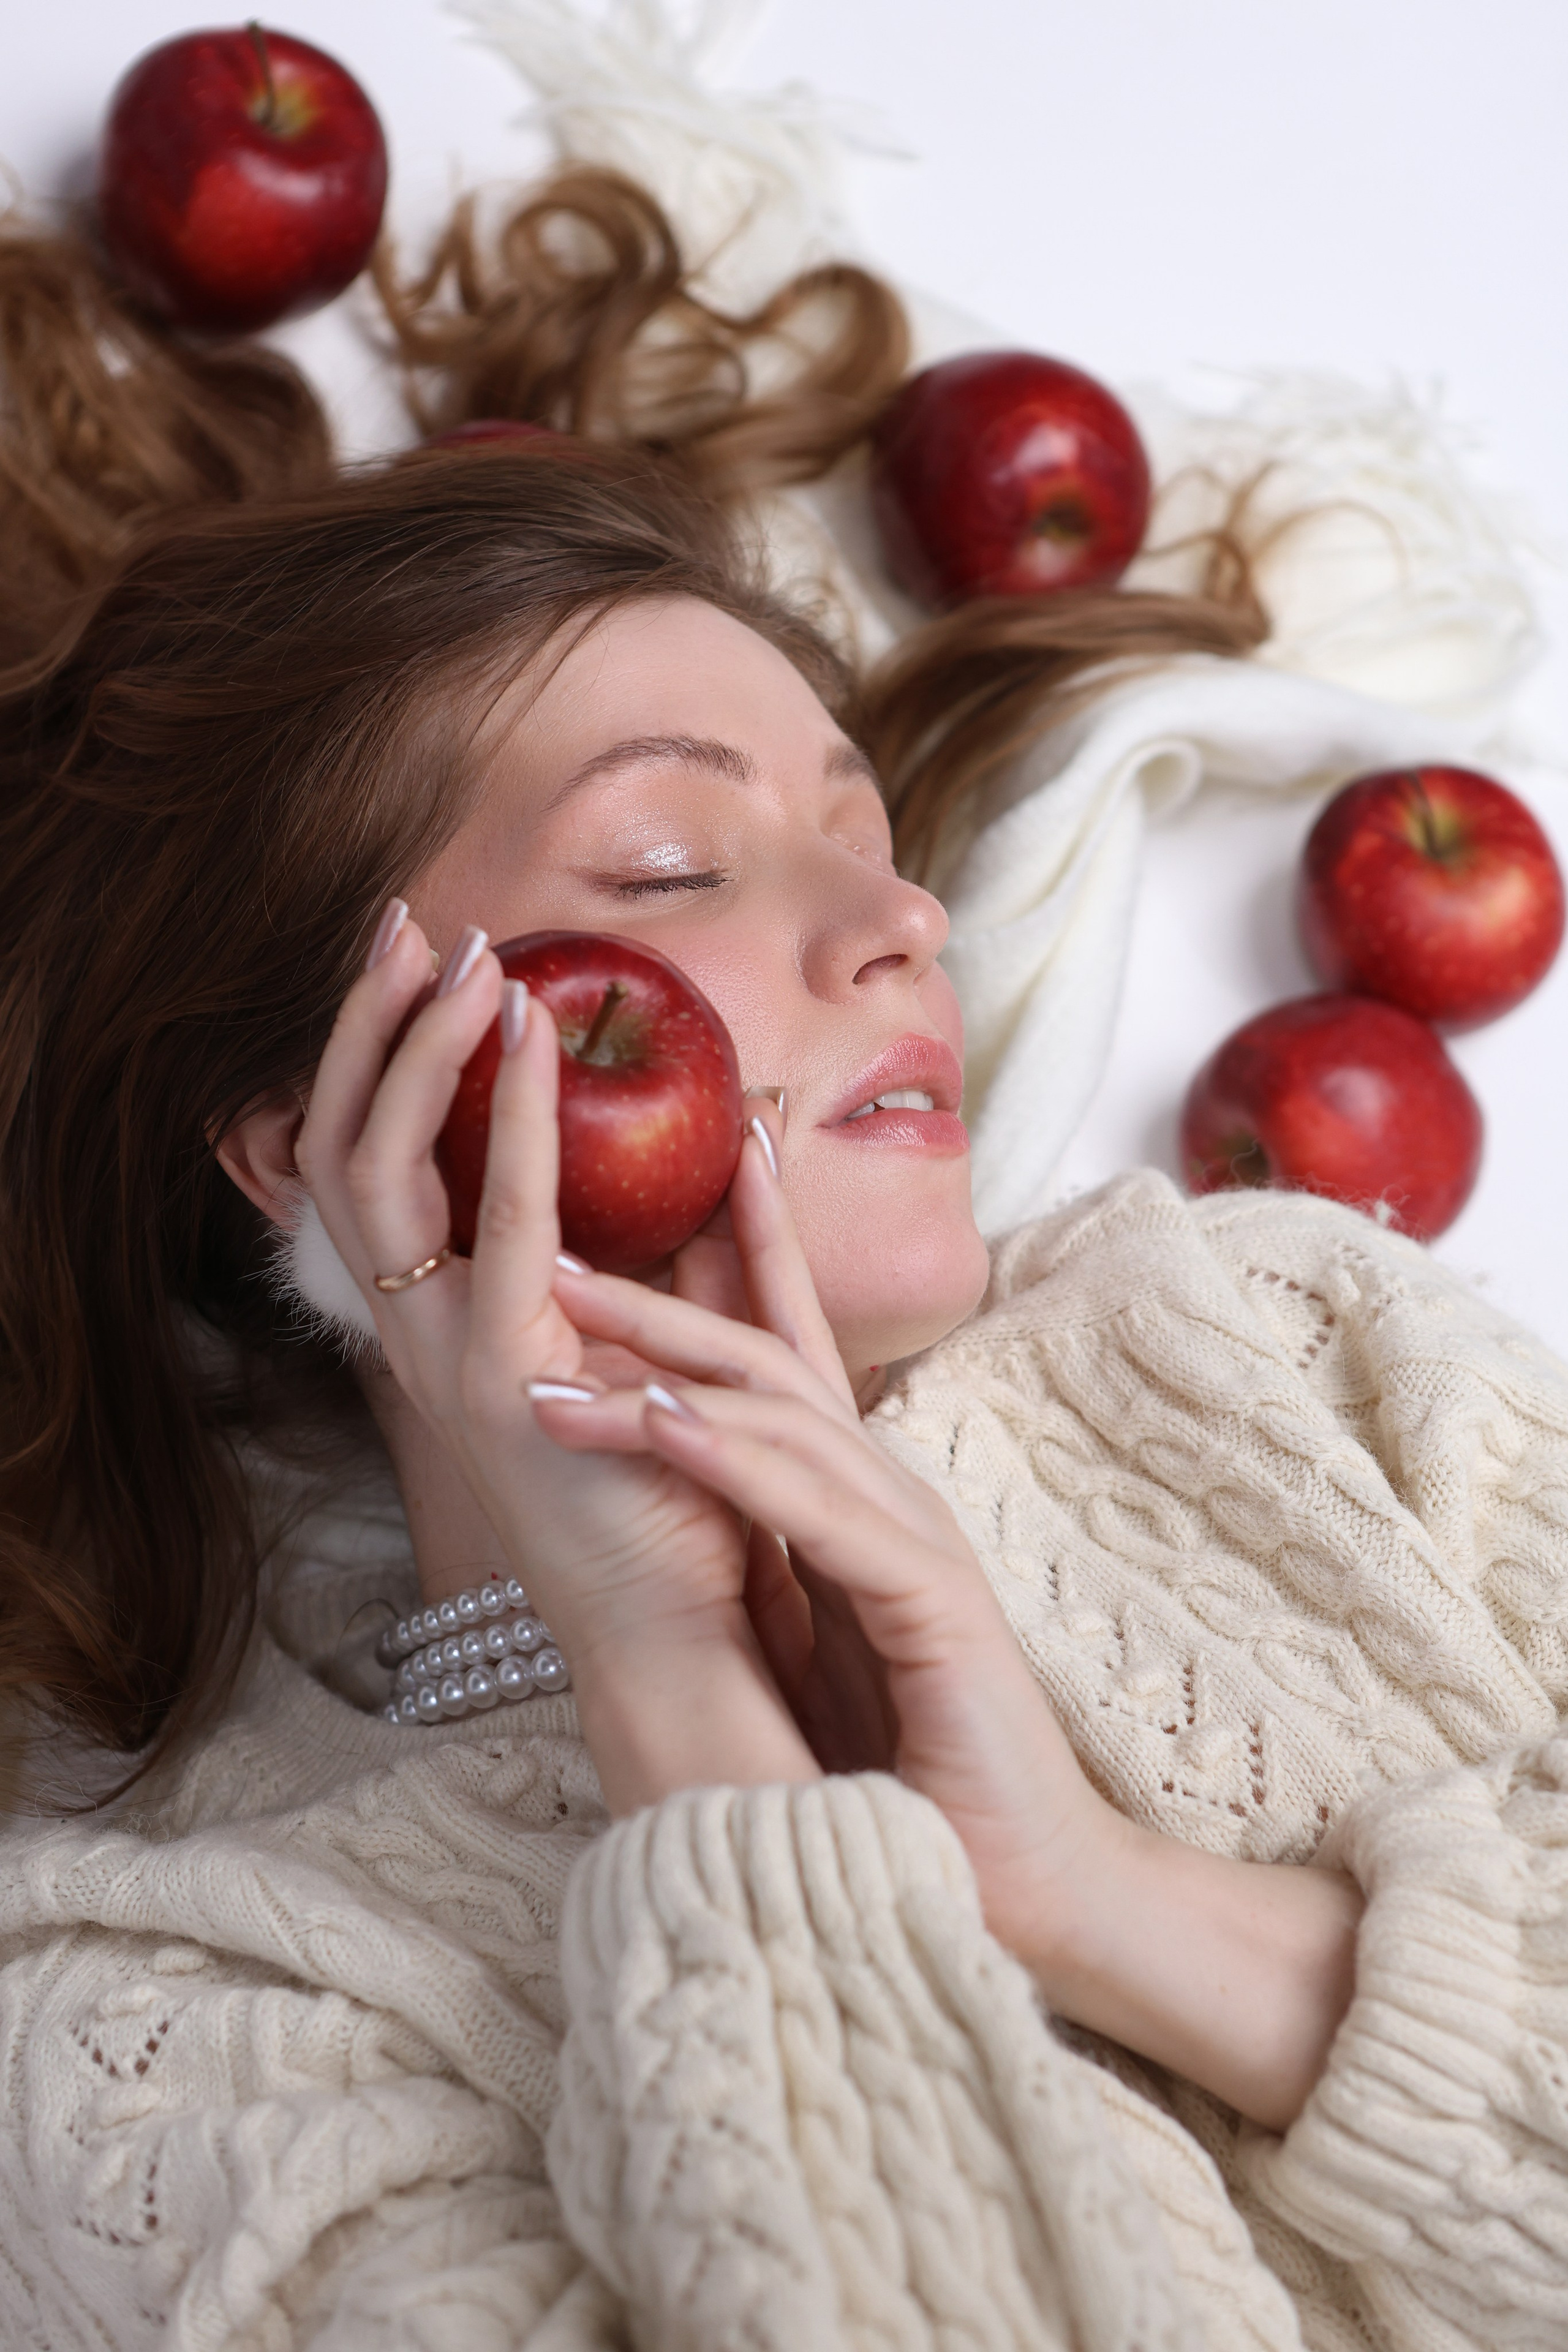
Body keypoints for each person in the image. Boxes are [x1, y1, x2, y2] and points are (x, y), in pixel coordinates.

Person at [1, 167, 1564, 2352]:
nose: (903, 926)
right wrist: (667, 1682)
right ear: (307, 1141)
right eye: (665, 863)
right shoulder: (177, 2012)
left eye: (864, 830)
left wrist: (1108, 1903)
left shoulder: (1280, 1335)